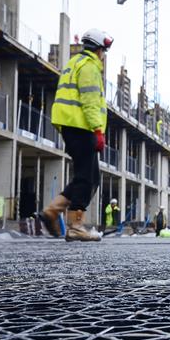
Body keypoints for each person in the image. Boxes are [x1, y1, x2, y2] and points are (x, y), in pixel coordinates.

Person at [37, 28, 112, 242]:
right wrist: (98, 129)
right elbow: (90, 102)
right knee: (87, 178)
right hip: (81, 126)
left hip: (71, 125)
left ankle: (53, 210)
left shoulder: (73, 63)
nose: (103, 56)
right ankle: (75, 226)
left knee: (88, 176)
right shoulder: (89, 67)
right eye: (103, 51)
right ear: (98, 50)